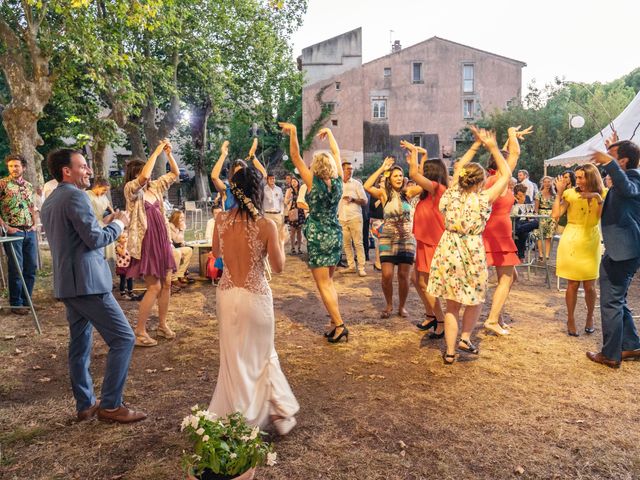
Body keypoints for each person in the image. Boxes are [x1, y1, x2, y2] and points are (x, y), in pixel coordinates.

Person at [41, 148, 145, 423]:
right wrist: (120, 225)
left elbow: (77, 236)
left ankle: (86, 404)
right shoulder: (76, 196)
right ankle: (111, 405)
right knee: (124, 338)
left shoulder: (51, 201)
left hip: (68, 283)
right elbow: (94, 240)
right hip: (88, 284)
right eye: (83, 166)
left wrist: (103, 223)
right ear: (67, 171)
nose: (88, 171)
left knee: (79, 344)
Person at [208, 165, 299, 434]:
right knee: (262, 355)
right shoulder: (265, 225)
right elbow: (279, 266)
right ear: (258, 192)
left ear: (234, 191)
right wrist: (279, 239)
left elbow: (215, 252)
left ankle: (235, 412)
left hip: (227, 294)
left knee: (233, 357)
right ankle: (271, 412)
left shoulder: (221, 219)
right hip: (255, 297)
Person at [427, 128, 512, 364]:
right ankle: (465, 337)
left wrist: (475, 146)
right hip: (472, 249)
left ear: (462, 178)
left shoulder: (451, 193)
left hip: (448, 248)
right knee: (474, 298)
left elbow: (458, 166)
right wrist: (493, 147)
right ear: (482, 181)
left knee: (451, 305)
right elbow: (506, 174)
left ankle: (451, 352)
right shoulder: (484, 198)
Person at [279, 122, 349, 344]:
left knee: (324, 284)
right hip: (335, 233)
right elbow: (337, 152)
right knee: (329, 281)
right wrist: (329, 134)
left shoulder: (313, 183)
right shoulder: (338, 182)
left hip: (319, 235)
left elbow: (295, 155)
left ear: (316, 167)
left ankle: (339, 325)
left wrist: (293, 132)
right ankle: (332, 321)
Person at [587, 139, 640, 368]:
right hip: (623, 250)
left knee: (611, 302)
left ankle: (610, 355)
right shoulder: (628, 177)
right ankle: (631, 345)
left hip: (623, 252)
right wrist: (614, 153)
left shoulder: (633, 179)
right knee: (618, 300)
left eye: (611, 155)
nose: (604, 158)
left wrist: (609, 162)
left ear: (623, 160)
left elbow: (626, 188)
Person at [124, 139, 179, 347]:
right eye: (144, 174)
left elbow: (175, 174)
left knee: (167, 283)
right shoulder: (131, 190)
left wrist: (168, 153)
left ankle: (162, 324)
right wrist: (156, 151)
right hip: (147, 243)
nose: (149, 177)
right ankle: (139, 331)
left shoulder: (155, 187)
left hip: (162, 240)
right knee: (154, 287)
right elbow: (145, 175)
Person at [482, 126, 530, 336]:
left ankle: (497, 316)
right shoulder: (499, 179)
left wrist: (505, 144)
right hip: (498, 233)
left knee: (512, 277)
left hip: (495, 230)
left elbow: (506, 153)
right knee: (507, 278)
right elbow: (515, 154)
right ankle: (492, 319)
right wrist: (511, 133)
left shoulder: (491, 178)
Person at [364, 147, 422, 318]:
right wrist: (383, 168)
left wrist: (414, 163)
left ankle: (401, 307)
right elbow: (367, 185)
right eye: (394, 175)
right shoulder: (384, 194)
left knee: (404, 276)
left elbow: (424, 180)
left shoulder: (408, 193)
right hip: (387, 237)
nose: (398, 178)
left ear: (403, 179)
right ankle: (389, 305)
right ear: (390, 178)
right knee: (387, 275)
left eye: (400, 176)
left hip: (406, 238)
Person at [552, 163, 606, 337]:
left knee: (590, 286)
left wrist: (596, 196)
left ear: (591, 177)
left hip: (591, 239)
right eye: (577, 177)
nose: (578, 180)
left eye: (581, 177)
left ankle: (590, 317)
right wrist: (559, 193)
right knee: (573, 284)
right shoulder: (570, 194)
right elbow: (556, 214)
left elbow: (603, 216)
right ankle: (571, 319)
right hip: (572, 239)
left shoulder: (603, 194)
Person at [408, 146, 448, 337]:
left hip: (434, 244)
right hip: (425, 242)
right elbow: (418, 173)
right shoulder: (429, 192)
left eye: (426, 171)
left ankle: (440, 321)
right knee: (416, 280)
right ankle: (431, 315)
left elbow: (414, 173)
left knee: (426, 283)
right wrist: (423, 155)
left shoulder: (437, 189)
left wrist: (413, 151)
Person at [0, 154, 38, 315]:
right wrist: (6, 226)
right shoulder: (2, 184)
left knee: (31, 267)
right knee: (17, 268)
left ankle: (26, 300)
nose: (14, 169)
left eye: (16, 166)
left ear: (24, 167)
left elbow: (32, 207)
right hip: (13, 231)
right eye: (11, 166)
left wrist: (35, 223)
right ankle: (16, 303)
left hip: (29, 231)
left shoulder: (29, 186)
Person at [210, 138, 267, 212]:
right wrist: (223, 155)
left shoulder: (251, 187)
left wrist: (253, 157)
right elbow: (214, 177)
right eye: (236, 173)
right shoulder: (227, 189)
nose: (239, 175)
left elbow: (264, 176)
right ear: (232, 174)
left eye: (242, 172)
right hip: (232, 223)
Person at [339, 161, 368, 276]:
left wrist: (353, 199)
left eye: (351, 169)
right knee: (346, 244)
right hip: (341, 217)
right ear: (342, 170)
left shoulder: (356, 184)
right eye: (347, 169)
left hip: (355, 217)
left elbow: (365, 201)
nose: (350, 171)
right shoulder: (337, 184)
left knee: (358, 243)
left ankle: (361, 267)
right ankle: (351, 266)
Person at [86, 178, 116, 271]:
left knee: (107, 253)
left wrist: (114, 214)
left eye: (107, 190)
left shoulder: (103, 196)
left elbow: (108, 205)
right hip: (93, 223)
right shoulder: (87, 195)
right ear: (97, 186)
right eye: (104, 190)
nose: (105, 192)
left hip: (103, 223)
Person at [532, 176, 557, 262]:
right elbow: (536, 208)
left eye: (549, 182)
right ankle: (540, 254)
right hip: (541, 216)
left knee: (549, 237)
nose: (547, 184)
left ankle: (547, 255)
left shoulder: (554, 195)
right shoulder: (539, 194)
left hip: (551, 216)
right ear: (542, 183)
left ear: (552, 183)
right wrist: (536, 217)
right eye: (545, 182)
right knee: (540, 236)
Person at [512, 184, 539, 260]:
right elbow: (513, 213)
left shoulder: (527, 197)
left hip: (525, 221)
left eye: (524, 193)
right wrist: (519, 202)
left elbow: (530, 210)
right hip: (516, 220)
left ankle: (520, 255)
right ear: (516, 193)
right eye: (520, 194)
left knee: (534, 223)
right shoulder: (513, 199)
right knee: (523, 233)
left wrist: (530, 215)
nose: (523, 195)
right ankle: (521, 256)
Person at [168, 210, 195, 286]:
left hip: (176, 246)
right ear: (175, 218)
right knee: (178, 253)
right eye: (180, 218)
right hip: (170, 248)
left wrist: (183, 240)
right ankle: (174, 278)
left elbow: (181, 240)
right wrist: (181, 230)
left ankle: (180, 274)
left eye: (183, 218)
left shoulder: (179, 226)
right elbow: (176, 239)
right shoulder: (170, 226)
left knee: (189, 250)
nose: (182, 220)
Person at [115, 229, 139, 300]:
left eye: (126, 237)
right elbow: (122, 253)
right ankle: (122, 293)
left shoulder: (128, 246)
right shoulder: (118, 246)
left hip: (128, 265)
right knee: (123, 279)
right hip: (122, 265)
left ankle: (130, 292)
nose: (125, 239)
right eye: (123, 237)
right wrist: (125, 245)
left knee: (130, 279)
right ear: (118, 240)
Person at [284, 177, 305, 254]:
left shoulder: (301, 191)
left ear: (298, 182)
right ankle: (292, 248)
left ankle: (299, 248)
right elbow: (285, 202)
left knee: (299, 231)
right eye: (292, 182)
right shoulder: (289, 191)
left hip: (300, 212)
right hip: (292, 211)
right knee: (292, 231)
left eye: (295, 181)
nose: (293, 183)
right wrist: (290, 197)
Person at [368, 175, 385, 271]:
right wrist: (380, 198)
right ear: (378, 182)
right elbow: (372, 206)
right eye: (382, 181)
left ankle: (382, 262)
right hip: (377, 220)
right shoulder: (374, 193)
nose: (383, 182)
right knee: (378, 242)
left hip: (386, 220)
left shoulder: (389, 193)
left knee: (385, 243)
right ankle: (378, 262)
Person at [263, 172, 285, 241]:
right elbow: (260, 202)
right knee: (267, 233)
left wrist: (281, 213)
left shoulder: (279, 189)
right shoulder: (263, 189)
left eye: (273, 178)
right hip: (267, 214)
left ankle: (277, 249)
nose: (272, 180)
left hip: (277, 214)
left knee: (278, 234)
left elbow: (281, 202)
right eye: (270, 179)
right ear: (267, 180)